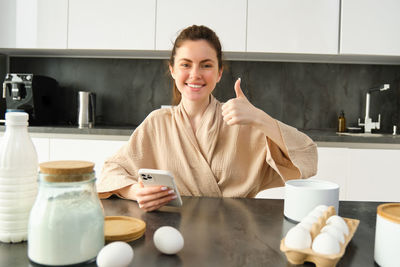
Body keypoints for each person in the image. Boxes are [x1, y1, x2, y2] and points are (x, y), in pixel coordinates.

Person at [97, 25, 318, 212]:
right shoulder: (157, 123)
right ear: (172, 70)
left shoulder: (244, 122)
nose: (195, 74)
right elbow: (111, 170)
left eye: (206, 65)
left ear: (219, 72)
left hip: (238, 236)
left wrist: (260, 118)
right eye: (186, 64)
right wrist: (135, 191)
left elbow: (307, 156)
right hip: (175, 234)